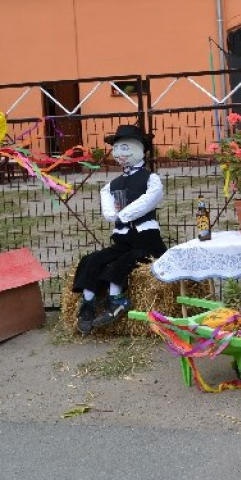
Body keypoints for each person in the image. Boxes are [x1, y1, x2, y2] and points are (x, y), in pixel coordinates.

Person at [72, 124, 166, 334]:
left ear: (142, 149)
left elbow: (149, 200)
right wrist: (113, 214)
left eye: (127, 148)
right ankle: (88, 303)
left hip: (146, 239)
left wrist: (122, 214)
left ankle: (118, 300)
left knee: (125, 261)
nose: (121, 154)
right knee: (92, 260)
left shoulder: (151, 179)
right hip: (123, 239)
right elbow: (107, 206)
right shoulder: (112, 184)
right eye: (118, 149)